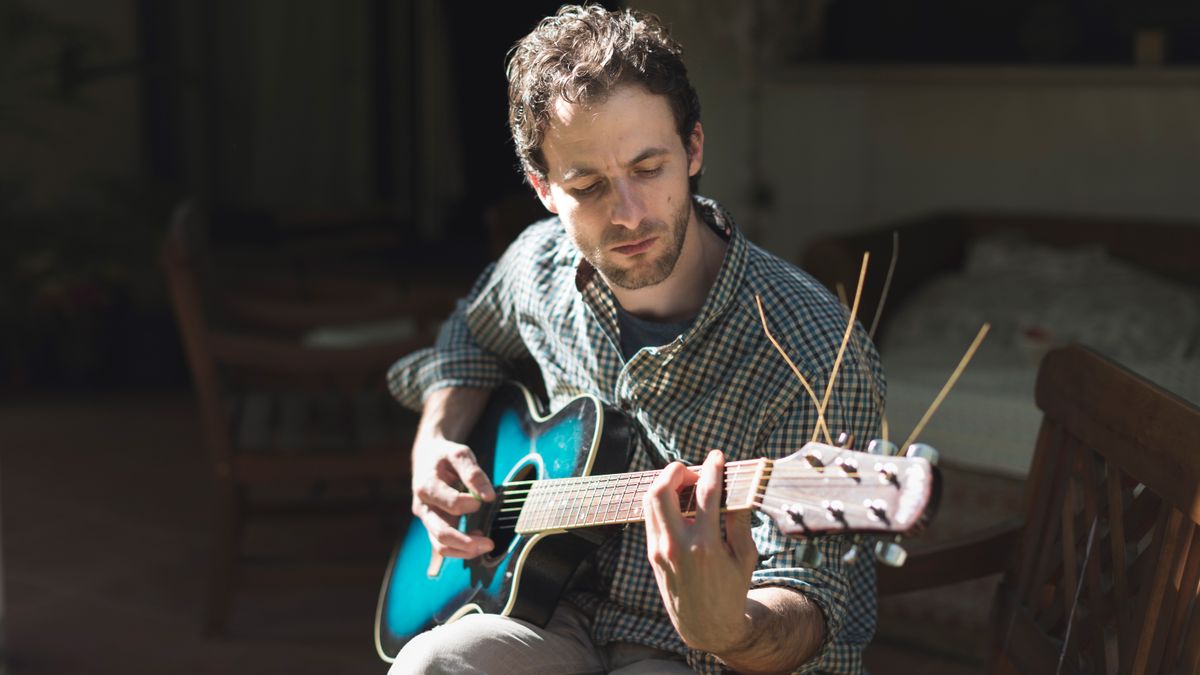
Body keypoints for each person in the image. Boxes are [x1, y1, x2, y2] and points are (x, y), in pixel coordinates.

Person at [386, 5, 884, 673]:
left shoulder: (818, 351)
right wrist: (436, 444)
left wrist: (729, 626)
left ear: (694, 149)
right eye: (587, 185)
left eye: (649, 168)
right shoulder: (536, 267)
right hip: (550, 613)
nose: (628, 213)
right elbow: (466, 338)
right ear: (543, 189)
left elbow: (812, 603)